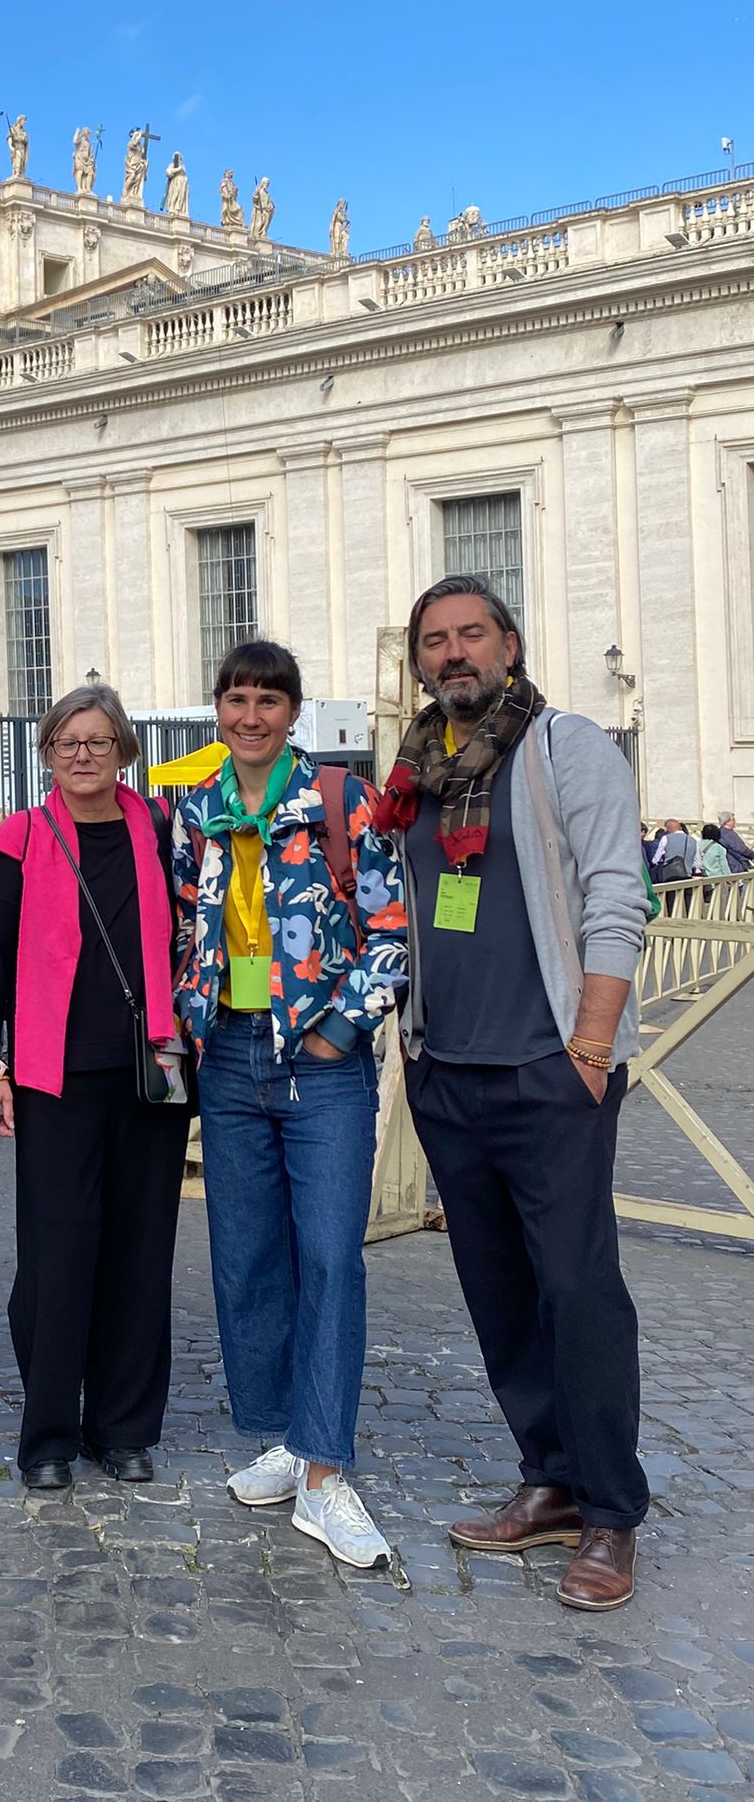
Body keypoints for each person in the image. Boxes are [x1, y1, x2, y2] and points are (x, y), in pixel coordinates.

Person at [376, 574, 651, 1611]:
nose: (454, 653)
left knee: (577, 1285)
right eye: (436, 640)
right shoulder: (417, 767)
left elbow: (616, 892)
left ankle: (612, 1510)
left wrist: (590, 1041)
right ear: (419, 661)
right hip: (450, 1068)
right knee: (497, 1287)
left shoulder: (564, 746)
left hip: (550, 1068)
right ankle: (551, 1476)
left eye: (471, 634)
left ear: (511, 642)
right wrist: (413, 1037)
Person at [173, 641, 408, 1567]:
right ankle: (282, 1434)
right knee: (246, 1258)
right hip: (229, 1056)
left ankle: (324, 1471)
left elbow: (390, 930)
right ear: (218, 709)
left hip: (322, 1065)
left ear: (294, 712)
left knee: (329, 1257)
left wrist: (340, 1029)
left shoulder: (345, 803)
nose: (252, 715)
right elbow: (189, 919)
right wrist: (192, 1022)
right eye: (237, 699)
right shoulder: (197, 807)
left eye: (269, 700)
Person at [0, 685, 190, 1491]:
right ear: (48, 754)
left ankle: (124, 1428)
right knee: (57, 1256)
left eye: (99, 741)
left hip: (151, 1071)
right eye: (68, 742)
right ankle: (51, 1434)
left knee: (141, 1251)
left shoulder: (160, 831)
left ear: (125, 750)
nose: (84, 755)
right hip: (52, 1074)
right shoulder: (21, 842)